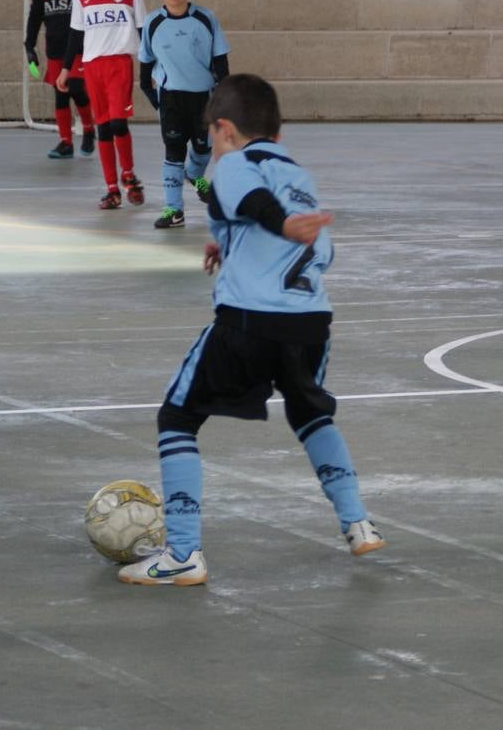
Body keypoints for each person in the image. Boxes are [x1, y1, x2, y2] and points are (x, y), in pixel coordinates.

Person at [119, 74, 385, 586]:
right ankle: (358, 523)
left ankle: (181, 554)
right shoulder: (299, 174)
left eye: (214, 138)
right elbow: (319, 250)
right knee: (311, 415)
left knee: (177, 416)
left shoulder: (237, 164)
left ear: (224, 130)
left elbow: (254, 203)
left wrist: (279, 225)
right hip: (311, 324)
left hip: (249, 320)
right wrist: (237, 243)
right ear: (277, 133)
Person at [57, 0, 147, 210]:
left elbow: (144, 29)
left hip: (120, 64)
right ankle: (112, 188)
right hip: (91, 67)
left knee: (119, 122)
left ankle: (129, 174)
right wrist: (65, 69)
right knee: (104, 128)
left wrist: (152, 66)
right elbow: (76, 34)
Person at [138, 0, 230, 229]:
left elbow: (221, 59)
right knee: (174, 151)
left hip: (204, 97)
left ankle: (195, 174)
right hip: (171, 98)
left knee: (203, 149)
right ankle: (174, 209)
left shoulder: (205, 18)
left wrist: (224, 96)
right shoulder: (153, 23)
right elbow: (145, 63)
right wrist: (151, 94)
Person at [23, 0, 95, 159]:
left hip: (77, 51)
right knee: (60, 95)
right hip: (54, 52)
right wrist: (29, 46)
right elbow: (34, 19)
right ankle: (65, 142)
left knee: (76, 88)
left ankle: (89, 128)